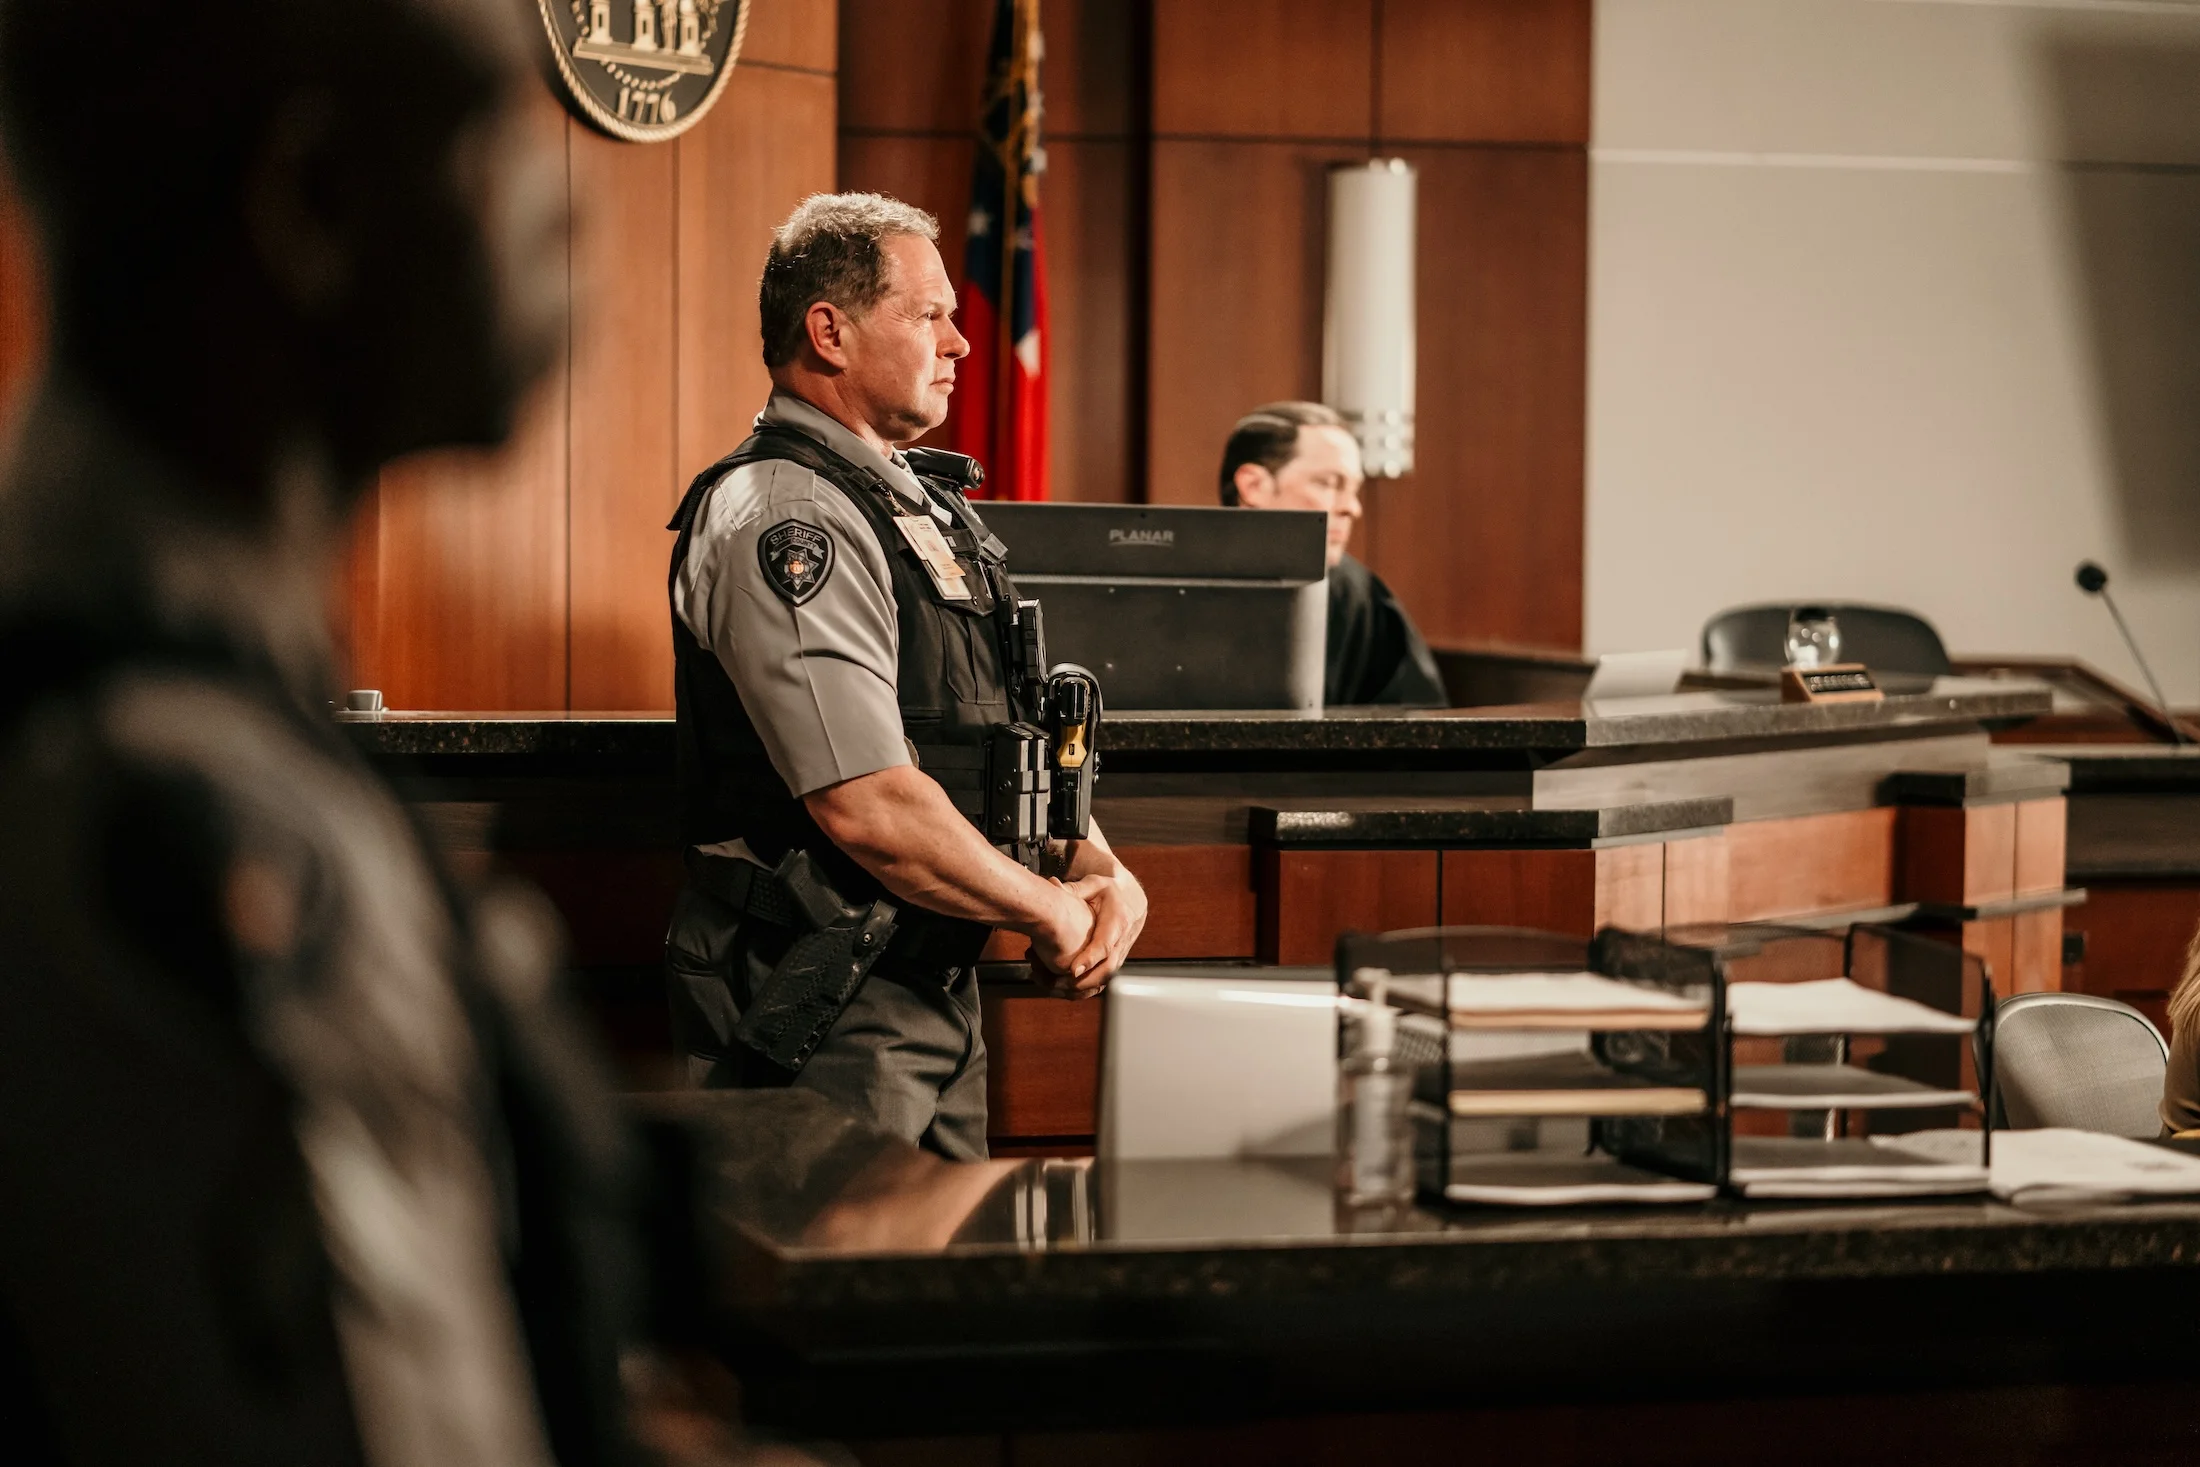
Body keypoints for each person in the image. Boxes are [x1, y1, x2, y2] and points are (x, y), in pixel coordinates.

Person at [0, 2, 655, 1463]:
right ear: (312, 203)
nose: (572, 206)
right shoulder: (184, 808)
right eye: (498, 135)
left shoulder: (157, 682)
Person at [663, 193, 1146, 1162]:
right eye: (929, 314)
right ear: (830, 332)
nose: (961, 343)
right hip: (819, 989)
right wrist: (1047, 907)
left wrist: (1094, 865)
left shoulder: (923, 505)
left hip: (929, 980)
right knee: (831, 1250)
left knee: (941, 1257)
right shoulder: (788, 516)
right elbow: (867, 803)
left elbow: (988, 731)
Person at [1218, 401, 1446, 707]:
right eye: (1328, 483)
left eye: (1354, 489)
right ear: (1254, 486)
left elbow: (1418, 719)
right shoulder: (1173, 585)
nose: (1352, 508)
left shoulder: (1356, 593)